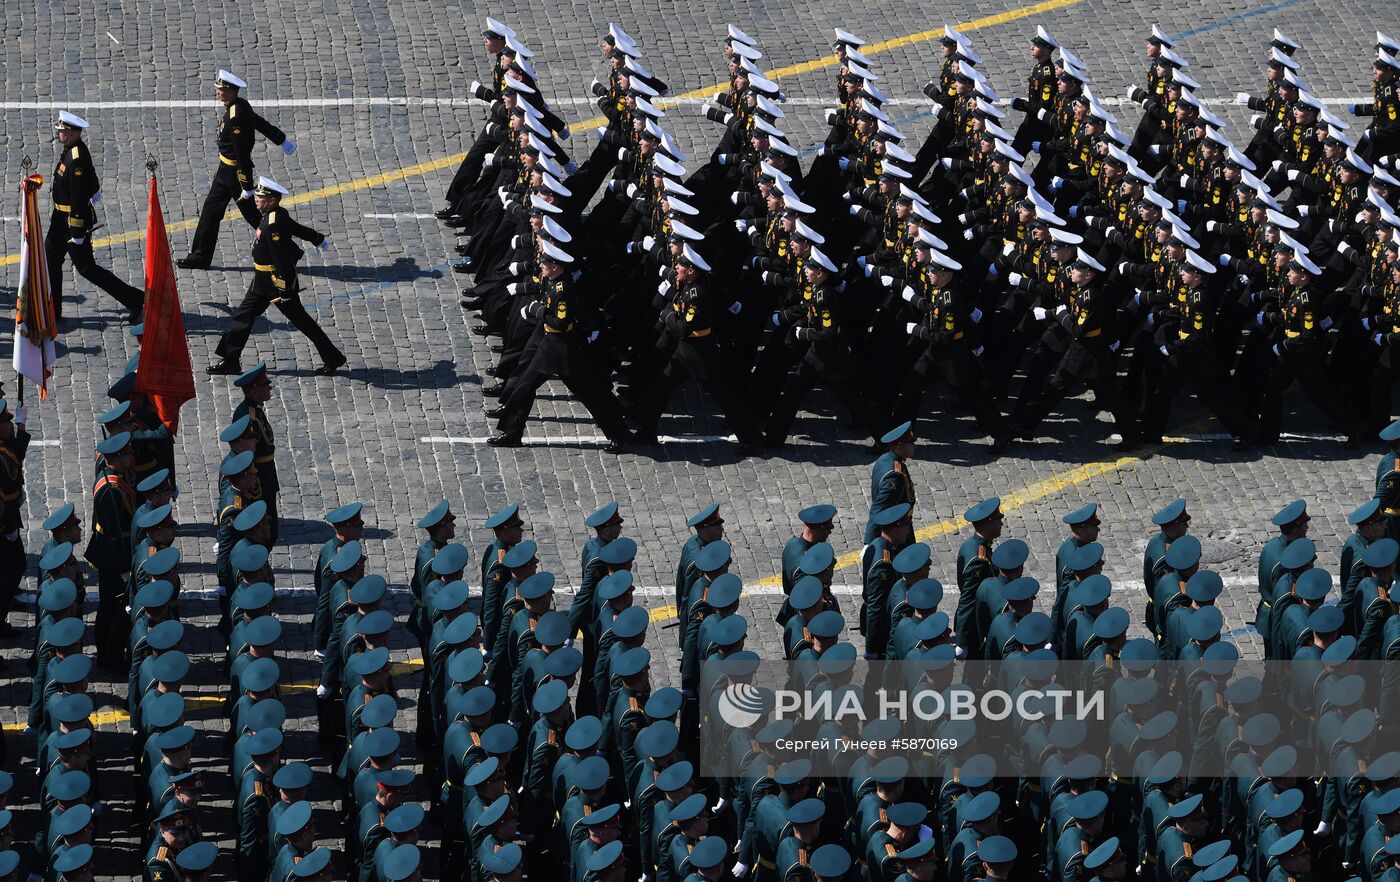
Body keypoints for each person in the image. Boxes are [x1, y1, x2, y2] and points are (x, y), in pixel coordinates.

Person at [207, 177, 346, 376]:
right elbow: (297, 229)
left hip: (274, 284)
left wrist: (285, 290)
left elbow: (281, 261)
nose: (256, 199)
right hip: (261, 282)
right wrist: (317, 238)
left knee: (303, 322)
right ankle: (230, 360)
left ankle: (332, 358)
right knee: (242, 317)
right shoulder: (276, 214)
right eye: (257, 195)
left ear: (272, 200)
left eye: (261, 197)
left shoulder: (272, 225)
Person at [179, 70, 296, 269]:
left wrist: (247, 186)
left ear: (231, 91)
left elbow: (241, 154)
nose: (217, 92)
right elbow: (259, 123)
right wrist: (281, 139)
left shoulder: (236, 116)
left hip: (234, 175)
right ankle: (199, 257)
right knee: (210, 212)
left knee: (255, 217)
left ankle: (288, 253)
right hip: (225, 171)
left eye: (221, 89)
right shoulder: (239, 106)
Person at [45, 112, 144, 324]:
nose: (59, 133)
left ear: (71, 133)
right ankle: (52, 312)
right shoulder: (72, 151)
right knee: (50, 260)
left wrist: (77, 232)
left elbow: (79, 199)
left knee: (86, 268)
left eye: (62, 130)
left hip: (70, 223)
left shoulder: (77, 157)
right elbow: (90, 178)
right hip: (58, 220)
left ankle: (137, 300)